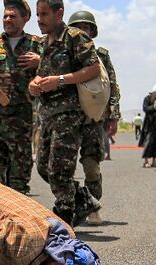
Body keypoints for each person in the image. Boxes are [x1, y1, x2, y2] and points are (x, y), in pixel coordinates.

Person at [29, 0, 102, 226]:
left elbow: (93, 68)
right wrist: (33, 85)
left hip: (69, 114)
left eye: (44, 14)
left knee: (60, 171)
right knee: (43, 167)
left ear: (59, 13)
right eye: (37, 15)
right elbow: (39, 75)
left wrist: (60, 80)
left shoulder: (74, 37)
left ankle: (65, 222)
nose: (39, 19)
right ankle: (83, 198)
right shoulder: (40, 43)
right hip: (47, 114)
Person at [0, 0, 42, 193]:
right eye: (5, 16)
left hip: (23, 120)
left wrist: (40, 61)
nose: (7, 19)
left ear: (25, 18)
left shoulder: (36, 44)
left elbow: (54, 67)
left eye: (12, 16)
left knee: (19, 179)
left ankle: (18, 220)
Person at [67, 10, 120, 225]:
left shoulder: (101, 55)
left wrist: (114, 114)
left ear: (92, 32)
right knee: (64, 167)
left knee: (91, 165)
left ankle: (93, 204)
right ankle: (70, 205)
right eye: (77, 27)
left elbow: (112, 85)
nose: (82, 30)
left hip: (93, 118)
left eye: (86, 27)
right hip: (68, 117)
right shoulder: (63, 54)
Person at [140, 83, 156, 167]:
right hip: (149, 124)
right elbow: (145, 108)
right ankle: (146, 161)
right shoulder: (148, 98)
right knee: (148, 142)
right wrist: (155, 108)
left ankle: (153, 160)